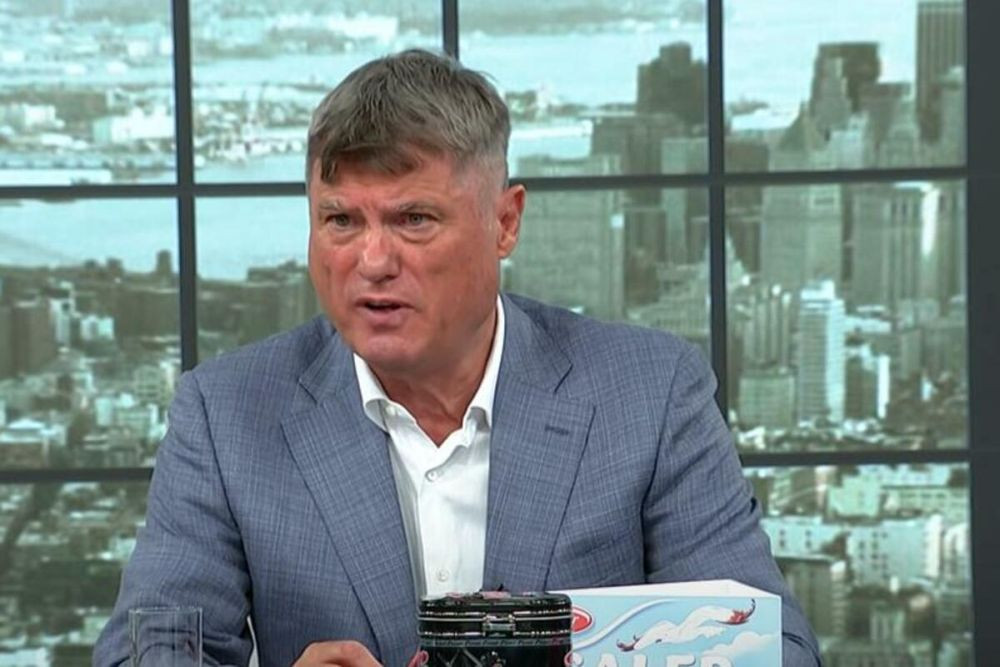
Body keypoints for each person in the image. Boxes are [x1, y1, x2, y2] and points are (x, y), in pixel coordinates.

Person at [94, 49, 821, 666]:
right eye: (340, 220)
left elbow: (775, 648)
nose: (371, 261)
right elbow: (144, 653)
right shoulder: (226, 415)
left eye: (414, 219)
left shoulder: (650, 394)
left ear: (505, 222)